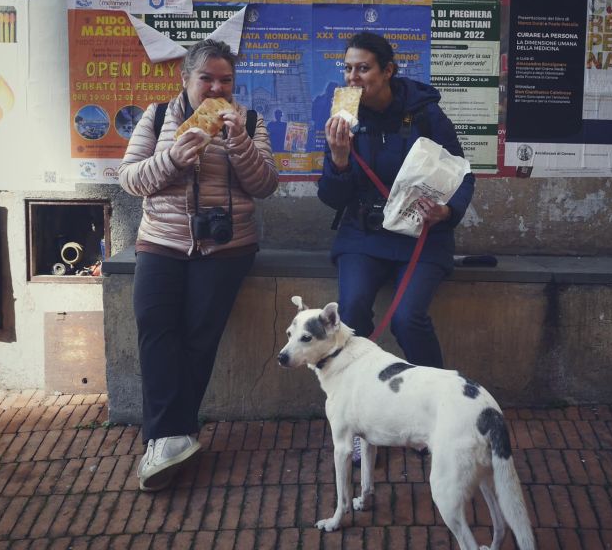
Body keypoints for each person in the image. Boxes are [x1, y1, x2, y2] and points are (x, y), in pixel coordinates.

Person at [119, 39, 279, 491]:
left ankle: (165, 442)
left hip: (226, 248)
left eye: (225, 80)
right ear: (185, 79)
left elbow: (265, 183)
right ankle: (173, 436)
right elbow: (129, 179)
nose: (215, 88)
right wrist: (172, 159)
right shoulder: (155, 117)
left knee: (198, 336)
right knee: (155, 329)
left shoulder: (248, 121)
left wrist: (239, 142)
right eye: (206, 78)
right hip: (161, 242)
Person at [317, 31, 475, 372]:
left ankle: (437, 396)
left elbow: (462, 173)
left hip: (422, 234)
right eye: (347, 69)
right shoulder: (344, 117)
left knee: (407, 319)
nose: (352, 78)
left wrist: (447, 212)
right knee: (352, 312)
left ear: (388, 71)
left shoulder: (423, 114)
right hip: (364, 234)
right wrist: (339, 159)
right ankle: (363, 396)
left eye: (363, 69)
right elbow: (331, 198)